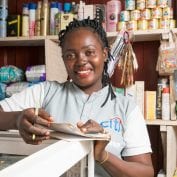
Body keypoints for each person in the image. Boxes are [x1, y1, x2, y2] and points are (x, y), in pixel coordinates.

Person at [0, 18, 154, 177]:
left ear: (105, 54)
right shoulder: (46, 92)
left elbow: (145, 172)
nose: (81, 61)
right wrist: (17, 119)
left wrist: (103, 156)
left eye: (89, 52)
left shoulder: (126, 107)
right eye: (70, 55)